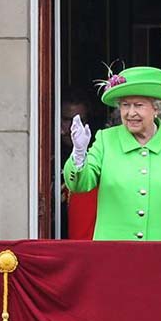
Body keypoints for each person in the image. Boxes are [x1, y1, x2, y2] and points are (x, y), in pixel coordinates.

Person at [64, 66, 161, 241]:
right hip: (114, 257)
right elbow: (81, 184)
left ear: (157, 108)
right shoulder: (106, 140)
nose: (131, 113)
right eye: (125, 105)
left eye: (138, 105)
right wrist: (79, 154)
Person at [60, 90, 97, 240]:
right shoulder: (43, 150)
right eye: (67, 119)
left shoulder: (95, 154)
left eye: (81, 120)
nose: (73, 126)